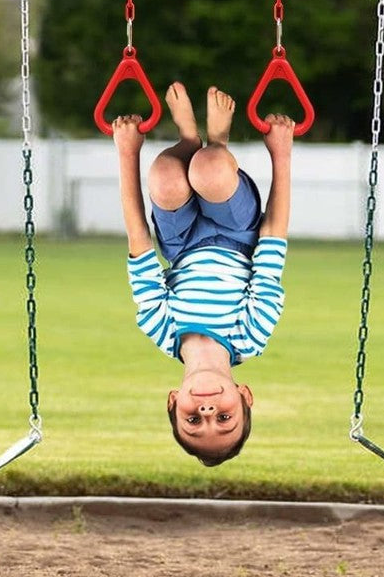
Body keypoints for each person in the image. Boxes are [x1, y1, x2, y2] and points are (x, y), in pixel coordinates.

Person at [112, 82, 294, 466]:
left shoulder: (160, 329)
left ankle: (188, 138)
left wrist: (127, 153)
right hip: (237, 234)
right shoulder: (251, 334)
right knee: (210, 172)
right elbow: (273, 239)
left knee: (164, 177)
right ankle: (217, 143)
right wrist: (281, 154)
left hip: (181, 244)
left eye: (192, 419)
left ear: (173, 401)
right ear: (245, 396)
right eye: (225, 418)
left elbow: (140, 243)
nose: (208, 413)